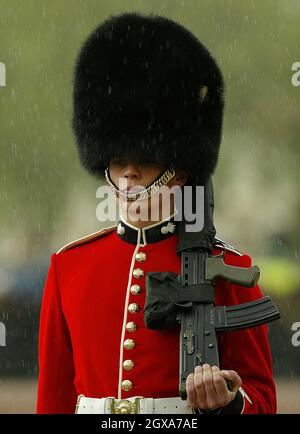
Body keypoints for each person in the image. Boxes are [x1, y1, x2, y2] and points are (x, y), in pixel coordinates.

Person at [36, 12, 277, 414]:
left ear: (178, 173)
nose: (129, 172)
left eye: (145, 159)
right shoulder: (69, 266)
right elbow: (54, 399)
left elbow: (263, 401)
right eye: (118, 159)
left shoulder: (227, 267)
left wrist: (229, 404)